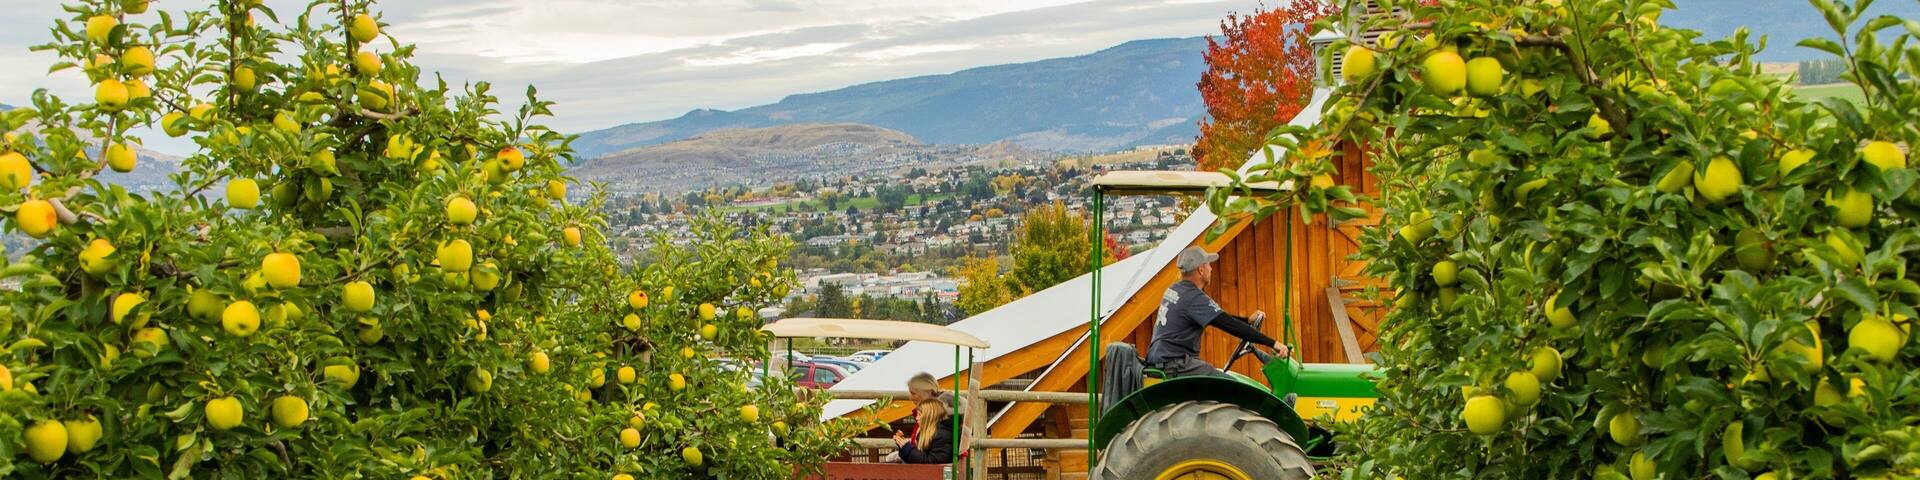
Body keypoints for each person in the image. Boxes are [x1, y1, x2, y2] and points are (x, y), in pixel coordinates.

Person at [1145, 246, 1291, 379]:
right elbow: (1230, 325)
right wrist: (1273, 343)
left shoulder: (1175, 290)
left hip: (1163, 360)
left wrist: (1247, 321)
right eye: (1208, 265)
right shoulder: (1193, 297)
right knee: (1233, 386)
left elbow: (1219, 318)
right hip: (1176, 364)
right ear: (1200, 270)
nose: (1211, 269)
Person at [894, 398, 958, 464]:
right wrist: (903, 448)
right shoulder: (929, 433)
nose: (916, 418)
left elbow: (931, 462)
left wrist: (909, 450)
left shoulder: (943, 435)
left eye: (919, 414)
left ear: (928, 416)